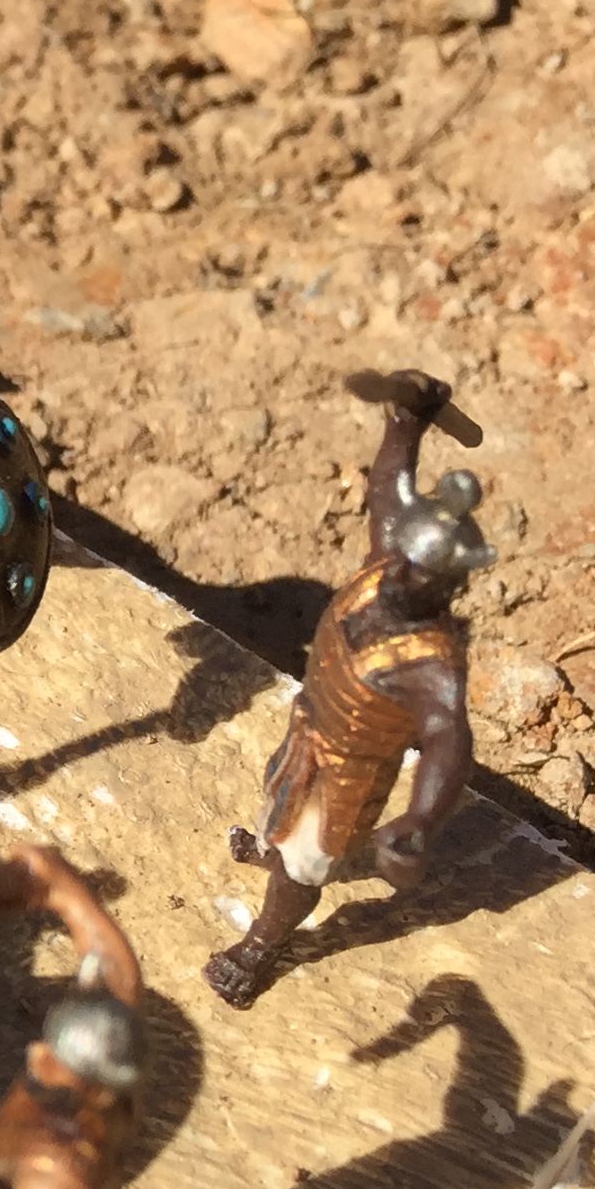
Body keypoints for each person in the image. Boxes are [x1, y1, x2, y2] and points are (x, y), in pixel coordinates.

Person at [206, 372, 488, 1007]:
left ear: (448, 586)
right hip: (307, 732)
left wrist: (420, 819)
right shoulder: (387, 566)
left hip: (346, 778)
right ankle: (271, 848)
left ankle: (260, 947)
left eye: (419, 571)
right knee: (276, 804)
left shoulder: (431, 665)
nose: (401, 574)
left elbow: (449, 742)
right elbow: (388, 489)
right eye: (405, 558)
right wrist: (405, 422)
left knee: (306, 862)